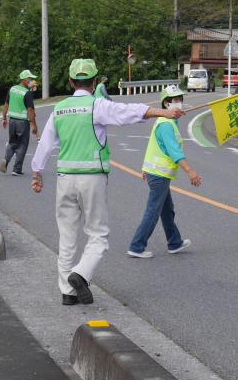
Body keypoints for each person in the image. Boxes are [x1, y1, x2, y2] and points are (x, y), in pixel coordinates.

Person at [30, 58, 185, 306]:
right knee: (98, 235)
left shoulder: (59, 109)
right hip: (92, 177)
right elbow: (130, 112)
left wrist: (37, 173)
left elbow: (45, 144)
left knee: (67, 235)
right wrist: (165, 112)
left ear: (70, 82)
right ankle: (80, 274)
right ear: (94, 83)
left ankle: (67, 293)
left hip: (64, 178)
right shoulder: (97, 105)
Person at [127, 85, 202, 258]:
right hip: (159, 175)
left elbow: (153, 146)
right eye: (175, 100)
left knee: (167, 209)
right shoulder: (166, 124)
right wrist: (190, 171)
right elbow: (174, 152)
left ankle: (174, 242)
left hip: (158, 173)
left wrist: (145, 168)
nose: (179, 103)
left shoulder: (167, 122)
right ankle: (136, 246)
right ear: (166, 104)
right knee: (153, 210)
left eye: (180, 99)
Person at [0, 70, 38, 175]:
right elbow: (30, 111)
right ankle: (17, 169)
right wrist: (34, 125)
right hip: (22, 122)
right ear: (24, 80)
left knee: (12, 143)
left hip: (12, 121)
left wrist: (4, 118)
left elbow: (6, 104)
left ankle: (5, 160)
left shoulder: (12, 89)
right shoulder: (27, 93)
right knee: (22, 145)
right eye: (30, 79)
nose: (31, 81)